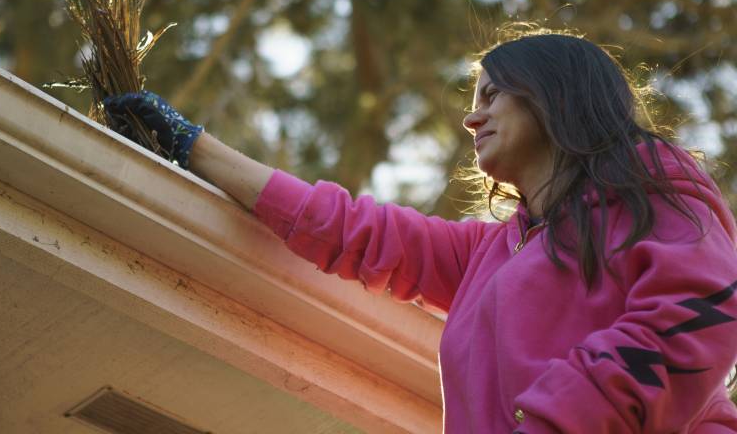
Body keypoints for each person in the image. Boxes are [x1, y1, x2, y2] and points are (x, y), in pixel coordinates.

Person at [103, 30, 737, 433]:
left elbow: (692, 322)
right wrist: (193, 146)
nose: (471, 116)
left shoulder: (655, 192)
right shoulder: (494, 250)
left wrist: (555, 417)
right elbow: (352, 231)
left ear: (553, 96)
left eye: (491, 95)